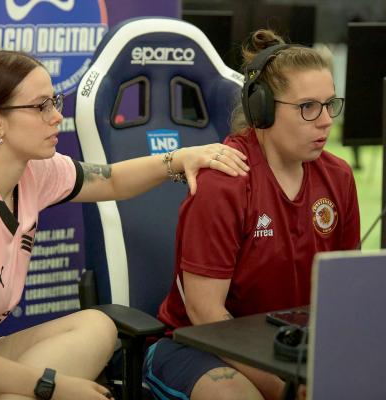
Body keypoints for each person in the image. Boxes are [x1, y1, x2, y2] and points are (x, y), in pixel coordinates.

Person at [0, 49, 250, 400]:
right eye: (40, 107)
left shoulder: (36, 172)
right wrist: (55, 387)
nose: (57, 117)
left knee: (97, 326)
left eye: (55, 102)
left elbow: (111, 180)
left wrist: (179, 158)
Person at [142, 29, 360, 400]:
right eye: (308, 107)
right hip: (196, 344)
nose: (326, 121)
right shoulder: (224, 184)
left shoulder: (337, 177)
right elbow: (205, 313)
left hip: (289, 346)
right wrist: (287, 388)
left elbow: (347, 294)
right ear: (263, 109)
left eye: (330, 104)